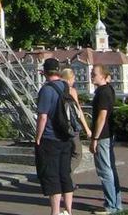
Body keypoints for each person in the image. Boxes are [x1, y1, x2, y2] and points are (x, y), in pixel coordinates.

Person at [35, 57, 74, 215]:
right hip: (66, 136)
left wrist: (38, 137)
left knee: (52, 175)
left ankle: (55, 212)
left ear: (44, 72)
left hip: (50, 137)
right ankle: (69, 210)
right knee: (65, 173)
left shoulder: (46, 89)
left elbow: (43, 116)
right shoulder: (65, 86)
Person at [89, 64, 122, 214]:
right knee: (110, 169)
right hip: (108, 135)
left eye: (94, 74)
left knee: (104, 170)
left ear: (102, 76)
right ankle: (116, 203)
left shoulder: (103, 93)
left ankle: (111, 205)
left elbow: (101, 117)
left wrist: (94, 138)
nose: (91, 76)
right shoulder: (108, 90)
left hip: (102, 136)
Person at [61, 67, 91, 172]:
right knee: (77, 153)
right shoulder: (71, 91)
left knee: (65, 153)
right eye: (73, 79)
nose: (74, 81)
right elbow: (78, 112)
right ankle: (66, 175)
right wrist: (87, 128)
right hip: (71, 127)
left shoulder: (56, 89)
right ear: (69, 79)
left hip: (60, 127)